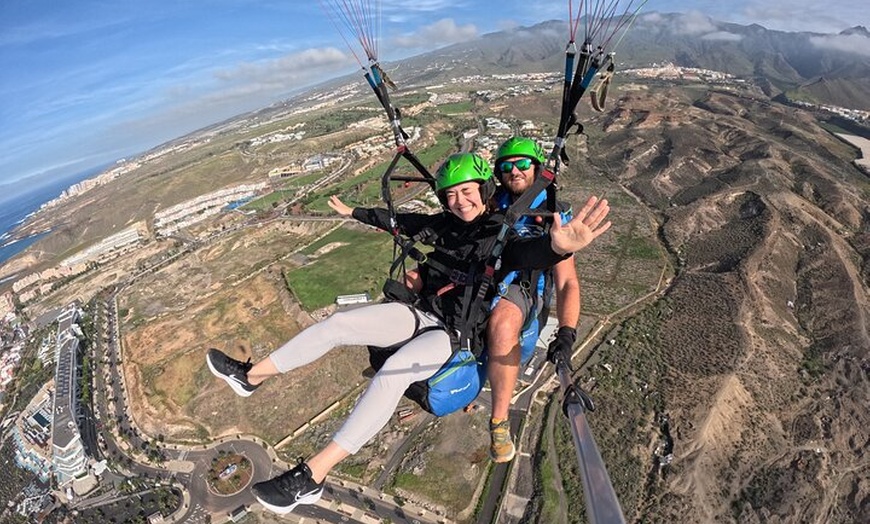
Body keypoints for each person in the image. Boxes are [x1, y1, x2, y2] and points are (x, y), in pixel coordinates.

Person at [206, 152, 611, 515]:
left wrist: (557, 249)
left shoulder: (500, 235)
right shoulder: (444, 225)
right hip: (422, 313)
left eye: (467, 191)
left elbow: (526, 256)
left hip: (453, 334)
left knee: (394, 373)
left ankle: (312, 477)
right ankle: (250, 376)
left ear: (484, 189)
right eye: (451, 194)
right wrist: (354, 213)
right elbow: (400, 222)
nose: (459, 201)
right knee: (340, 324)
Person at [485, 136, 581, 463]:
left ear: (537, 167)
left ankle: (499, 422)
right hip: (484, 276)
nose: (515, 170)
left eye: (523, 163)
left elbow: (566, 281)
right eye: (507, 166)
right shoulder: (491, 202)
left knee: (503, 320)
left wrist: (566, 332)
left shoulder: (552, 213)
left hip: (524, 286)